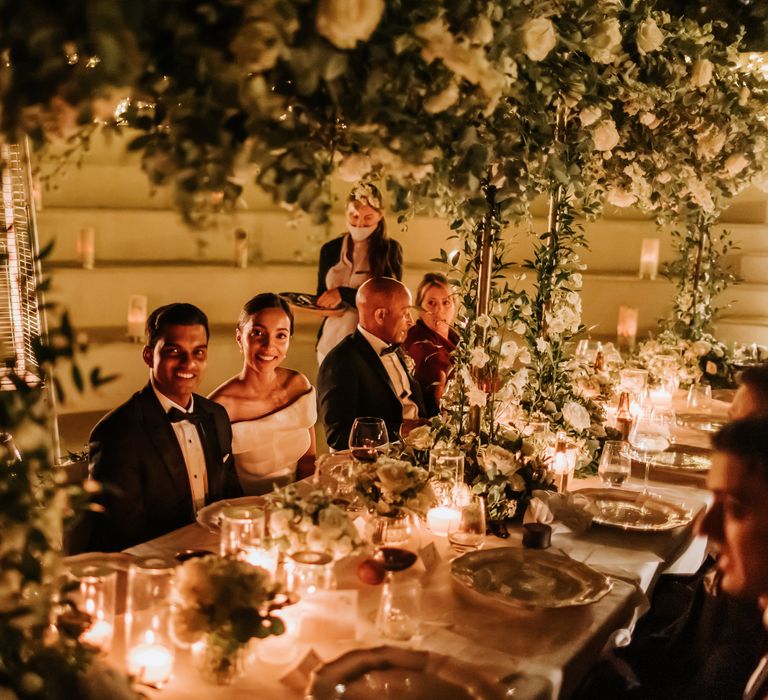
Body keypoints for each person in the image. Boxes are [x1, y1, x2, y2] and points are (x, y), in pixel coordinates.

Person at [86, 303, 242, 551]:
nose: (188, 363)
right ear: (149, 356)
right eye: (174, 351)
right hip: (154, 566)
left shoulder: (216, 415)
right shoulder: (116, 433)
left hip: (216, 555)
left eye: (198, 352)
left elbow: (232, 498)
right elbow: (121, 535)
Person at [209, 294, 316, 495]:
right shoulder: (221, 406)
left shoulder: (298, 385)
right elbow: (215, 486)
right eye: (258, 333)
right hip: (246, 512)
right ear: (239, 337)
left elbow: (308, 462)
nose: (269, 346)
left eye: (281, 335)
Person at [317, 277, 427, 450]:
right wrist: (400, 430)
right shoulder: (341, 361)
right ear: (381, 315)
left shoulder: (397, 348)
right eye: (405, 313)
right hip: (376, 464)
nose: (411, 321)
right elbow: (338, 435)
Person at [315, 183, 403, 365]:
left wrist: (343, 294)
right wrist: (320, 305)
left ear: (380, 215)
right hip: (329, 341)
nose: (360, 224)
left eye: (368, 217)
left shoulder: (390, 250)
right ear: (345, 213)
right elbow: (321, 294)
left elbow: (389, 302)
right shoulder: (330, 249)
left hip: (368, 344)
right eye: (354, 216)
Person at [403, 272, 458, 416]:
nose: (439, 310)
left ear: (454, 306)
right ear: (419, 309)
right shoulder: (421, 346)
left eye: (446, 302)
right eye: (431, 303)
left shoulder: (456, 339)